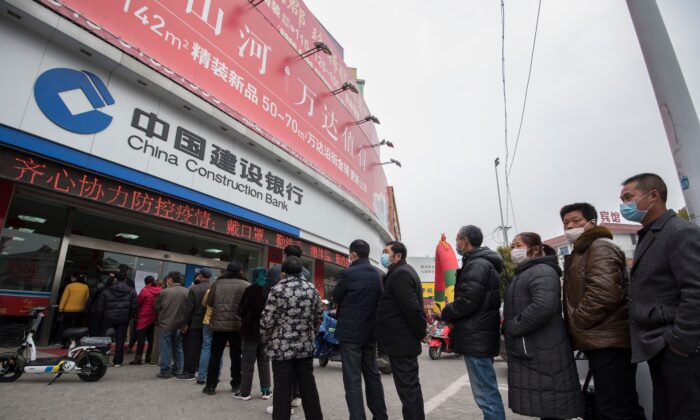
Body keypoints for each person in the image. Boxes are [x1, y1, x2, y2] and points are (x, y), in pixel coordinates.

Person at [620, 173, 700, 419]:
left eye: (628, 198)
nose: (624, 206)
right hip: (659, 346)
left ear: (653, 196)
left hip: (677, 348)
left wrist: (679, 341)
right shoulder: (649, 234)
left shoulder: (679, 232)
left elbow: (695, 291)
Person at [560, 202, 646, 420]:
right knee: (615, 404)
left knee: (616, 407)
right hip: (600, 339)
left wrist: (577, 322)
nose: (570, 226)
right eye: (566, 223)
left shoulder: (600, 247)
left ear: (591, 222)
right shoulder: (583, 250)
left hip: (610, 341)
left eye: (575, 221)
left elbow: (604, 293)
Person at [503, 232, 584, 420]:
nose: (514, 250)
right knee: (546, 405)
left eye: (518, 245)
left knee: (552, 404)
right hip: (537, 347)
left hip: (545, 349)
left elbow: (544, 306)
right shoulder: (526, 272)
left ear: (535, 249)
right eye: (512, 246)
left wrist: (513, 327)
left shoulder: (542, 271)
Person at [439, 225, 505, 420]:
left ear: (464, 241)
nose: (456, 244)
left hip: (476, 336)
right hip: (479, 334)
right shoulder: (480, 262)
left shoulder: (477, 264)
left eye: (457, 240)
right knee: (487, 393)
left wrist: (446, 312)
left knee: (486, 394)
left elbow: (468, 301)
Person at [261, 256, 324, 420]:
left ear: (283, 273)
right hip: (305, 346)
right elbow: (319, 316)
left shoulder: (277, 290)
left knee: (282, 387)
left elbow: (267, 320)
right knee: (308, 385)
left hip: (281, 347)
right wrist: (311, 334)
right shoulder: (312, 289)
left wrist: (265, 338)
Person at [333, 239, 387, 420]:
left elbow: (336, 296)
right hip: (371, 333)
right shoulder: (377, 274)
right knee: (373, 375)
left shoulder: (347, 274)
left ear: (354, 254)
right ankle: (380, 416)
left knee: (353, 379)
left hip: (350, 335)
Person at [376, 241, 425, 420]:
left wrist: (421, 332)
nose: (383, 255)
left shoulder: (401, 274)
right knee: (409, 390)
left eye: (386, 252)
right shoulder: (400, 272)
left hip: (402, 344)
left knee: (409, 391)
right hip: (401, 343)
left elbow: (412, 309)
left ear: (397, 256)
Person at [264, 244, 310, 408]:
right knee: (298, 363)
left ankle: (283, 405)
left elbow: (267, 299)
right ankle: (295, 396)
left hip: (281, 329)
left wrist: (265, 333)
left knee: (282, 369)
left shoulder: (275, 271)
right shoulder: (307, 274)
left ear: (284, 255)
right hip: (302, 330)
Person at [203, 261, 249, 395]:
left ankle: (210, 386)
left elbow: (209, 302)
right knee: (236, 356)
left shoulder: (217, 284)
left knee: (215, 356)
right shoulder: (246, 285)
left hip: (218, 326)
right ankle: (236, 384)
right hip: (237, 326)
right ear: (241, 271)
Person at [235, 267, 272, 400]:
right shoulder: (271, 290)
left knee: (248, 362)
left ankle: (245, 392)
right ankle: (266, 390)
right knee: (264, 361)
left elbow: (240, 311)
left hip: (250, 332)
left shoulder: (249, 290)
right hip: (266, 333)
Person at [177, 268, 212, 380]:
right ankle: (200, 368)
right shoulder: (213, 287)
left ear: (200, 276)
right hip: (208, 322)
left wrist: (184, 324)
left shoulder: (194, 288)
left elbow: (189, 309)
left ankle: (189, 371)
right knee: (205, 347)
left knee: (192, 347)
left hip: (195, 322)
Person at [96, 271, 137, 367]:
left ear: (115, 279)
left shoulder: (107, 290)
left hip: (108, 317)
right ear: (125, 279)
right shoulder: (131, 290)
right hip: (123, 318)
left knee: (105, 339)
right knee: (120, 339)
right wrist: (129, 316)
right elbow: (134, 306)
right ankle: (118, 361)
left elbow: (100, 306)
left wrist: (101, 317)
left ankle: (103, 359)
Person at [155, 271, 188, 378]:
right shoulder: (186, 292)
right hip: (180, 325)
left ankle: (165, 371)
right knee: (178, 348)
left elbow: (156, 307)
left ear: (170, 279)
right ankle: (178, 369)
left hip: (166, 324)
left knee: (165, 349)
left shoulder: (164, 292)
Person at [130, 275, 161, 365]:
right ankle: (148, 357)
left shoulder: (144, 290)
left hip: (143, 317)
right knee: (151, 339)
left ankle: (138, 359)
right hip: (154, 317)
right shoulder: (159, 290)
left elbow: (138, 302)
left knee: (141, 339)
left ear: (146, 282)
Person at [57, 272, 89, 348]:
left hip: (68, 310)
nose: (71, 279)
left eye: (72, 277)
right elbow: (87, 299)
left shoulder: (69, 286)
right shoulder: (85, 287)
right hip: (80, 310)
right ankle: (75, 342)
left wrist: (60, 309)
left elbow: (64, 298)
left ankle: (65, 343)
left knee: (66, 327)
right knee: (77, 327)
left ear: (75, 278)